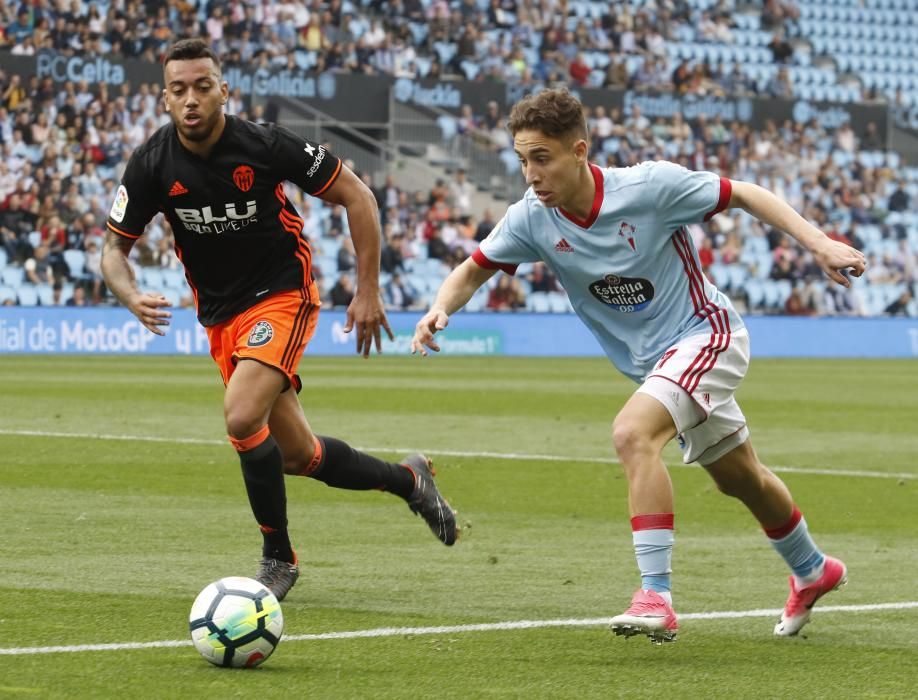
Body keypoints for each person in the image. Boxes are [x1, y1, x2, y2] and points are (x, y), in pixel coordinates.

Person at [411, 89, 867, 644]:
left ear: (580, 151)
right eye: (523, 160)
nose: (531, 174)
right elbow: (472, 269)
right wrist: (439, 307)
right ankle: (814, 569)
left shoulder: (650, 187)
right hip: (657, 364)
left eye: (542, 158)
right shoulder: (531, 219)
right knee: (740, 478)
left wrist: (818, 243)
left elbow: (744, 193)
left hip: (706, 334)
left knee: (632, 434)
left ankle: (656, 595)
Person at [101, 39, 459, 602]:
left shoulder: (263, 144)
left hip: (282, 294)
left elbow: (358, 196)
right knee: (299, 455)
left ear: (224, 90)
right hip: (221, 317)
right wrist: (129, 295)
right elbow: (112, 251)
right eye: (178, 89)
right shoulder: (151, 163)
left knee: (242, 416)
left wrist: (368, 290)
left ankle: (278, 557)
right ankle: (410, 481)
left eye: (202, 86)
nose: (191, 99)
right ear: (165, 98)